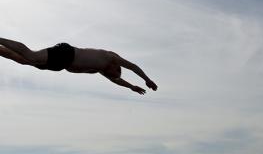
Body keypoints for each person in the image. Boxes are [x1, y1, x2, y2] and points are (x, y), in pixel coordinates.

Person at [0, 38, 158, 95]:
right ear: (115, 67)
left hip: (61, 64)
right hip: (66, 53)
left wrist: (131, 87)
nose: (112, 77)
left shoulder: (102, 70)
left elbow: (117, 81)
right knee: (32, 56)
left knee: (23, 60)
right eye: (114, 74)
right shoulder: (109, 57)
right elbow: (133, 66)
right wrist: (147, 79)